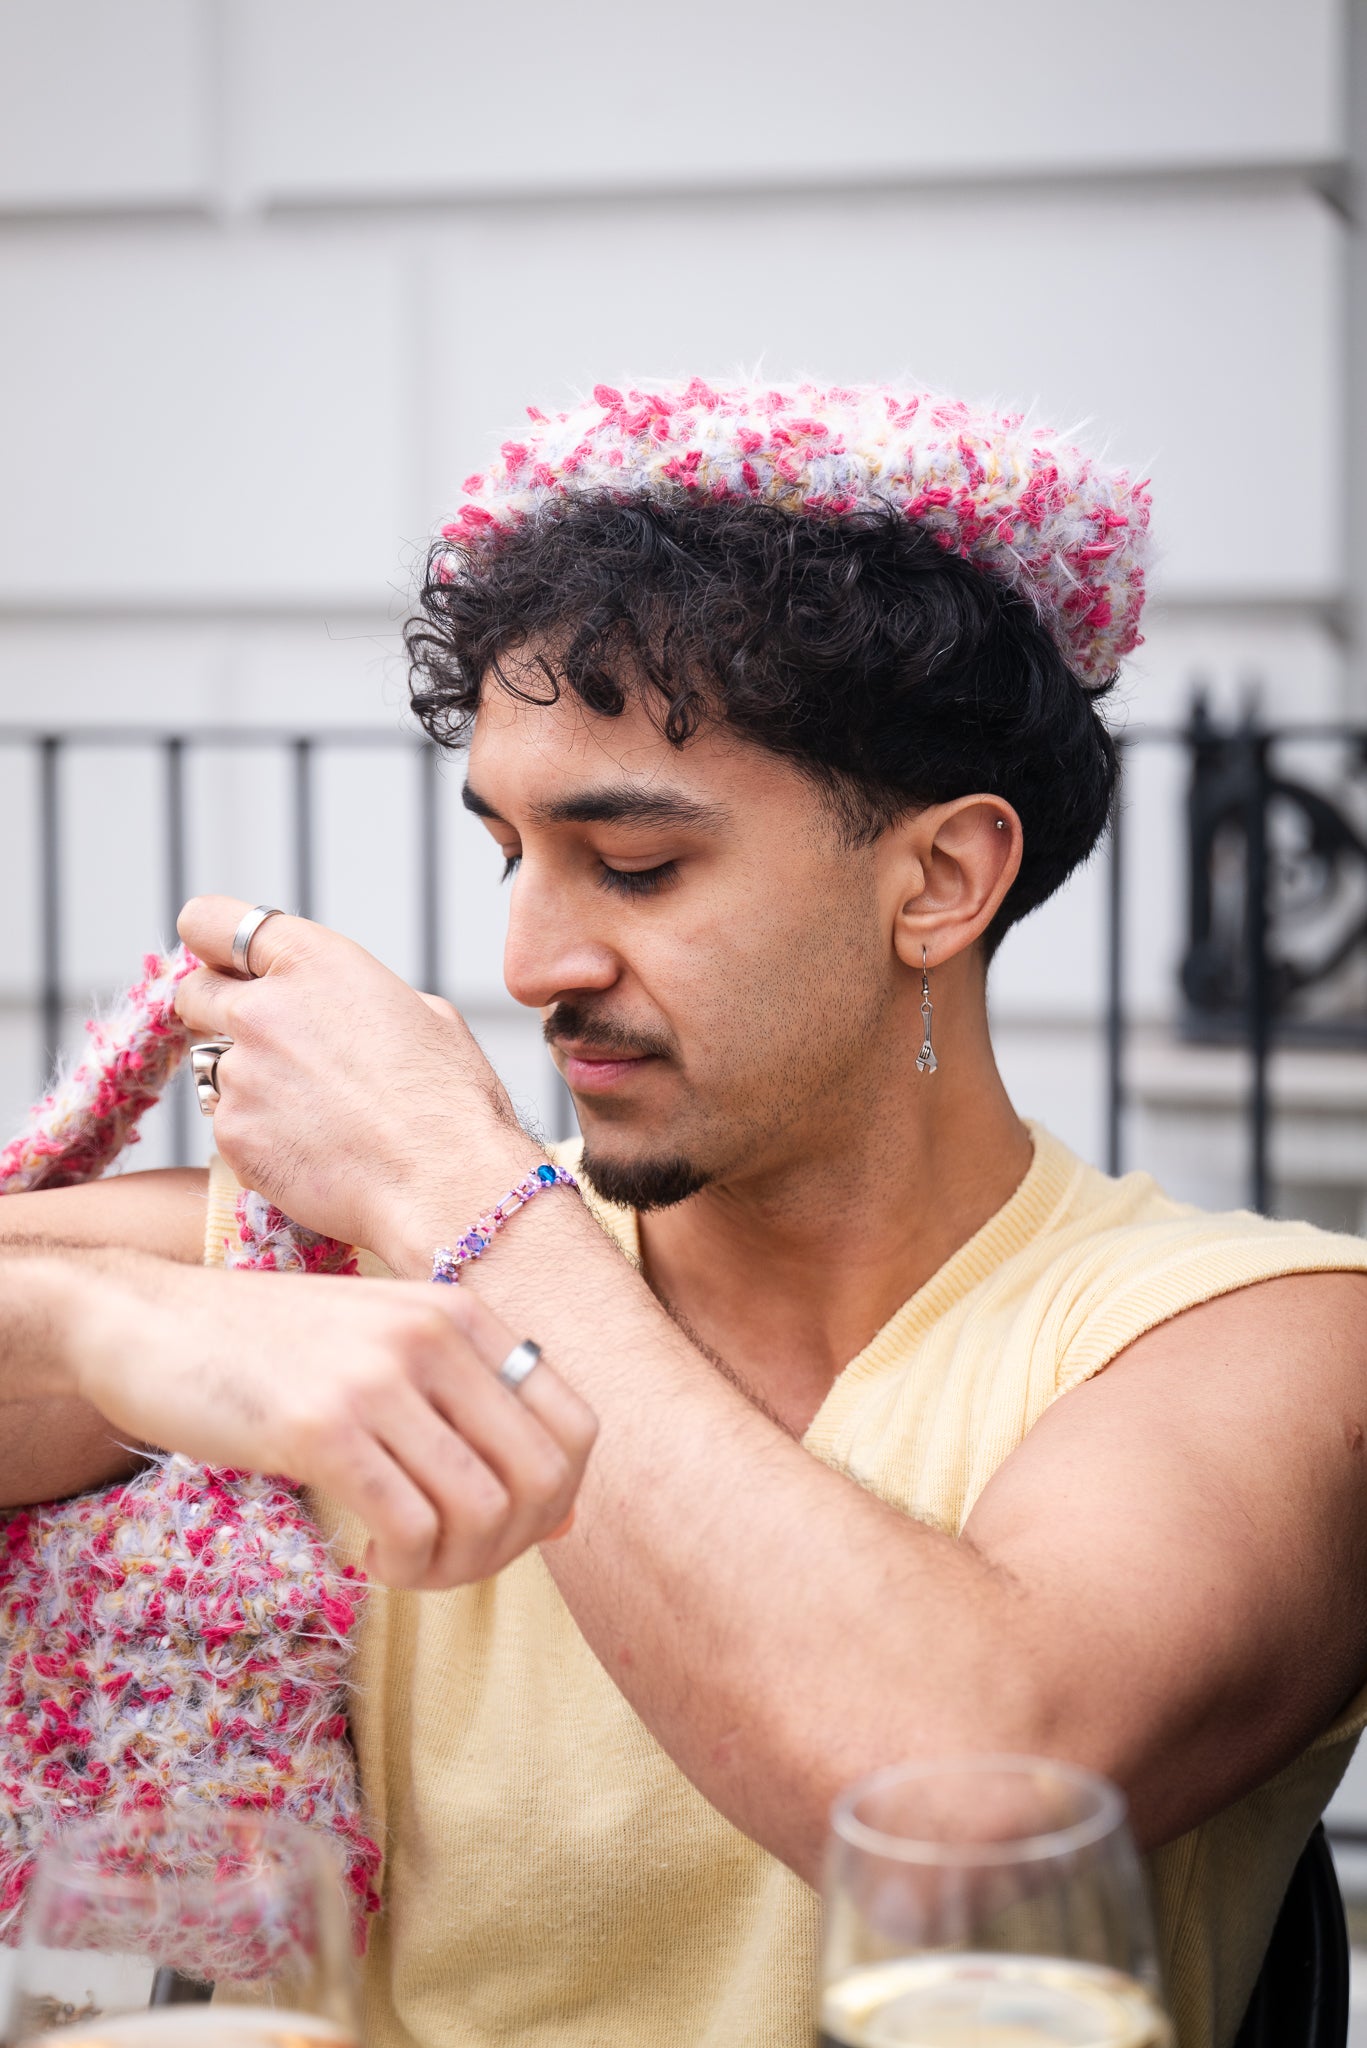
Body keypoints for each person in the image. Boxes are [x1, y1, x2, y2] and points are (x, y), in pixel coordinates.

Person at [3, 379, 1367, 2048]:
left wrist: (450, 1173)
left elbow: (955, 1807)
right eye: (511, 851)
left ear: (940, 881)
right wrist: (103, 1320)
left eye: (634, 866)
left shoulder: (1277, 1339)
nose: (529, 964)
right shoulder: (338, 1290)